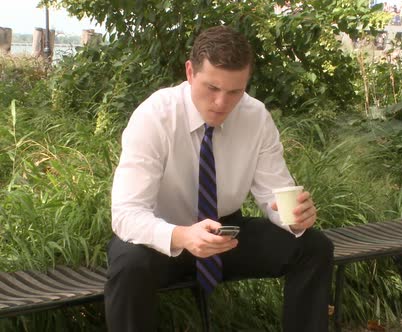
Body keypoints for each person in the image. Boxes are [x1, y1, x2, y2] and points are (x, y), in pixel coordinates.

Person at [104, 25, 334, 332]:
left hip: (225, 233)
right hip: (161, 237)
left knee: (314, 247)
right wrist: (183, 236)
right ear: (190, 72)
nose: (221, 103)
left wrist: (295, 218)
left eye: (235, 92)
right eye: (212, 88)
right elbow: (125, 215)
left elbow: (274, 195)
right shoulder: (154, 117)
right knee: (128, 264)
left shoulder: (256, 117)